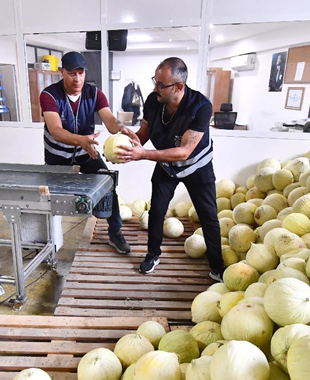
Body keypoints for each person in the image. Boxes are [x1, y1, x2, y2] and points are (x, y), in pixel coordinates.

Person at [116, 57, 224, 281]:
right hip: (166, 164)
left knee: (209, 217)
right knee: (157, 210)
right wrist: (131, 143)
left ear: (179, 87)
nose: (155, 88)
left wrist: (143, 155)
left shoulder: (201, 107)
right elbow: (145, 130)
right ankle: (152, 254)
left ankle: (217, 267)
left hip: (197, 167)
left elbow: (185, 151)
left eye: (160, 85)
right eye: (155, 82)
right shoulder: (154, 101)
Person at [39, 51, 131, 254]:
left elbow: (109, 121)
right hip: (57, 156)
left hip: (86, 152)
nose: (77, 78)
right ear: (62, 72)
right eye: (72, 73)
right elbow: (55, 130)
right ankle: (47, 241)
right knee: (49, 199)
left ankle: (115, 233)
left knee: (108, 183)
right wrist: (81, 140)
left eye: (81, 73)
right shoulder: (49, 95)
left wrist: (123, 129)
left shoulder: (94, 93)